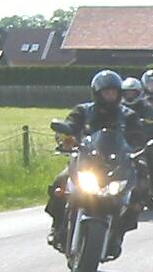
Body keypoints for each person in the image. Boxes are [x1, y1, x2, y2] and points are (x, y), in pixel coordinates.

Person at [44, 70, 143, 255]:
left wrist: (139, 151)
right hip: (86, 163)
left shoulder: (128, 116)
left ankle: (117, 235)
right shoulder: (83, 111)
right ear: (97, 93)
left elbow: (138, 137)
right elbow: (71, 126)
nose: (110, 96)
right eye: (106, 92)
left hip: (116, 166)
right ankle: (57, 226)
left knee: (136, 193)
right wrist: (67, 137)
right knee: (60, 183)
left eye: (113, 92)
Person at [121, 77, 153, 148]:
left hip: (141, 140)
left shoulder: (145, 106)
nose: (130, 96)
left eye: (132, 93)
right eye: (127, 93)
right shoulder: (119, 106)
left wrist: (144, 122)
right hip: (122, 141)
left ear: (139, 93)